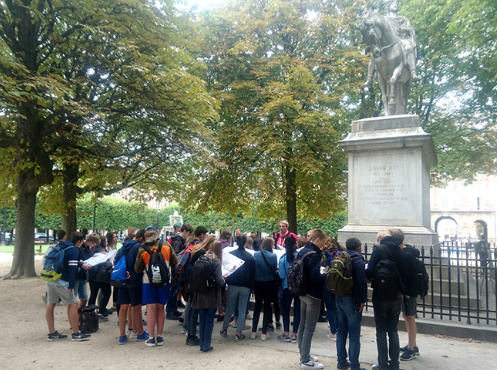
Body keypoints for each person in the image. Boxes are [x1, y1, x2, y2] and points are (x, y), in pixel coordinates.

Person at [366, 230, 408, 370]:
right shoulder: (400, 251)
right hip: (396, 295)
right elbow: (404, 273)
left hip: (381, 294)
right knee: (393, 330)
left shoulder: (378, 249)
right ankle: (395, 364)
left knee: (381, 331)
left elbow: (370, 271)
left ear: (380, 239)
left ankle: (382, 364)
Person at [135, 229, 178, 347]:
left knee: (151, 307)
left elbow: (137, 268)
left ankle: (150, 337)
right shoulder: (166, 245)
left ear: (145, 237)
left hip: (148, 281)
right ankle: (160, 336)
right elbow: (175, 260)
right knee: (160, 307)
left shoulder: (142, 248)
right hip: (164, 280)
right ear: (157, 235)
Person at [45, 231, 91, 341]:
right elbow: (72, 269)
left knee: (51, 304)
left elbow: (66, 260)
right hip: (61, 281)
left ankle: (52, 333)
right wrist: (71, 285)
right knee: (74, 303)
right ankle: (75, 333)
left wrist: (81, 264)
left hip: (51, 277)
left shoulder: (61, 245)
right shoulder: (74, 250)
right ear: (79, 241)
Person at [389, 229, 421, 361]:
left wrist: (408, 292)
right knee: (406, 316)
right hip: (405, 291)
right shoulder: (403, 252)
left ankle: (412, 349)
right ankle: (411, 344)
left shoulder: (407, 255)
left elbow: (412, 275)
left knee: (410, 317)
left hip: (409, 292)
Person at [335, 238, 367, 370]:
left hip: (339, 297)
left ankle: (341, 362)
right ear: (359, 247)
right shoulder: (358, 261)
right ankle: (355, 366)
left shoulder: (339, 258)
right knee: (354, 335)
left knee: (341, 332)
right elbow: (361, 283)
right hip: (352, 299)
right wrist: (362, 300)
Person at [297, 228, 327, 369]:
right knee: (309, 328)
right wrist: (325, 274)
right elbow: (315, 277)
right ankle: (305, 360)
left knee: (302, 325)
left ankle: (304, 355)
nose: (324, 245)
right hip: (313, 294)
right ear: (318, 240)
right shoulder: (314, 254)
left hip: (302, 292)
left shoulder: (302, 251)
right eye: (323, 242)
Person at [115, 228, 148, 344]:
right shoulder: (138, 247)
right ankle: (140, 332)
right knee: (136, 306)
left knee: (123, 307)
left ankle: (122, 335)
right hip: (135, 280)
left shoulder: (123, 246)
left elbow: (116, 261)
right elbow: (141, 264)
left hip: (123, 279)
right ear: (141, 239)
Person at [191, 240, 225, 352]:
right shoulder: (216, 260)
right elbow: (219, 280)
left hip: (200, 293)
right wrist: (223, 280)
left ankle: (202, 344)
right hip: (212, 294)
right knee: (209, 320)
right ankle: (206, 344)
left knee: (202, 319)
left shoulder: (201, 258)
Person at [220, 234, 255, 341]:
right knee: (242, 308)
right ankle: (238, 332)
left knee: (229, 308)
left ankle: (224, 328)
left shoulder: (230, 254)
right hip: (245, 286)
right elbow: (252, 273)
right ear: (245, 243)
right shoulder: (249, 256)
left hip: (232, 284)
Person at [185, 234, 217, 346]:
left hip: (192, 282)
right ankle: (192, 336)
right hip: (199, 285)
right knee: (194, 311)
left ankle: (190, 334)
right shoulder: (203, 253)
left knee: (191, 309)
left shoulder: (196, 248)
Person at [251, 236, 280, 340]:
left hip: (258, 282)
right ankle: (264, 333)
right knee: (267, 306)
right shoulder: (273, 256)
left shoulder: (256, 254)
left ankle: (253, 331)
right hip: (269, 283)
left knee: (257, 306)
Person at [166, 223, 194, 320]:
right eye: (189, 233)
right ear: (185, 231)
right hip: (176, 269)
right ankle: (170, 311)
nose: (189, 236)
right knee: (174, 289)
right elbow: (177, 256)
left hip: (174, 269)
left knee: (175, 289)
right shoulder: (178, 241)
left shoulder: (175, 239)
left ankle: (173, 309)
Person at [277, 235, 301, 343]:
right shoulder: (300, 257)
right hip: (298, 287)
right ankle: (295, 334)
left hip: (287, 286)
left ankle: (286, 332)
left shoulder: (283, 259)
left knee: (285, 310)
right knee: (297, 310)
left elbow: (281, 276)